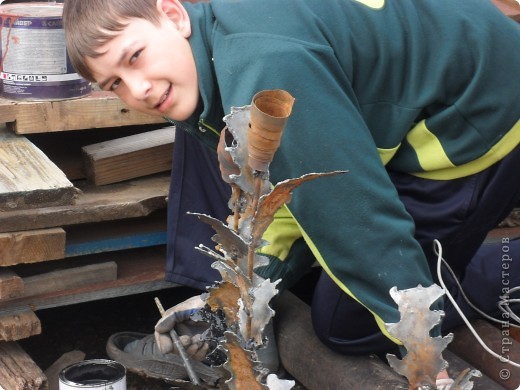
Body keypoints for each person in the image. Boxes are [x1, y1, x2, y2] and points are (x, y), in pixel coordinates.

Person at [63, 0, 520, 386]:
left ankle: (505, 270)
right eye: (115, 85)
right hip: (425, 90)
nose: (138, 89)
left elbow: (348, 212)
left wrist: (424, 349)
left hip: (479, 110)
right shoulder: (213, 53)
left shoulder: (264, 68)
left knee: (350, 325)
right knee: (338, 275)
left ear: (173, 14)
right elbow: (275, 188)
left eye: (135, 56)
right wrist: (232, 296)